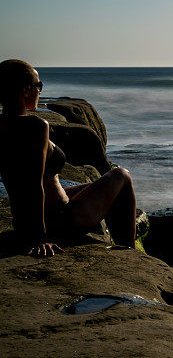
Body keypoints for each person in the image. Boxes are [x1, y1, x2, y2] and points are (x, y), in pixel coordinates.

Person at [0, 59, 137, 256]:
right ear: (26, 91)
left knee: (94, 184)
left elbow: (22, 183)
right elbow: (33, 185)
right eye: (39, 86)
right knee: (121, 175)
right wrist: (39, 239)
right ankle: (129, 251)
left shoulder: (3, 125)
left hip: (33, 216)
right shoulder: (36, 127)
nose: (40, 91)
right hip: (62, 219)